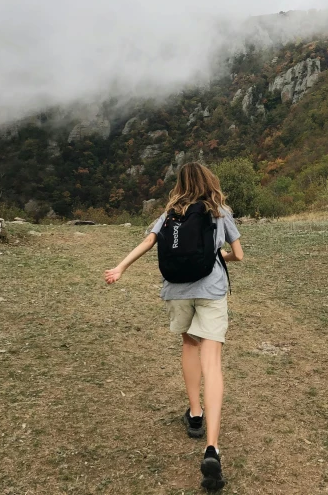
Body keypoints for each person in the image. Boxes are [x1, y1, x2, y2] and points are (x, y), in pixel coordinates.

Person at [104, 162, 243, 492]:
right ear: (210, 180)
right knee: (213, 362)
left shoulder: (171, 213)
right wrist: (218, 255)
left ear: (180, 184)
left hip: (178, 291)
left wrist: (120, 267)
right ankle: (212, 448)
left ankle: (195, 413)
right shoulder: (219, 210)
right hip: (211, 292)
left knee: (189, 345)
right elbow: (238, 254)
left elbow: (149, 243)